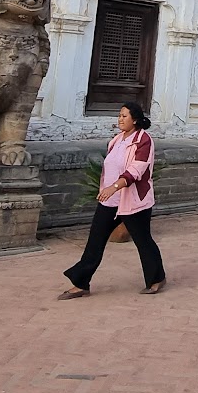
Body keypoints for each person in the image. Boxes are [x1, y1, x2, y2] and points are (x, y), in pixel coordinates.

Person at [59, 103, 166, 298]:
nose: (120, 119)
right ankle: (81, 283)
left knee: (143, 241)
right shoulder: (116, 140)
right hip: (109, 201)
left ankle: (156, 278)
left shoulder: (144, 140)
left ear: (135, 119)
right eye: (119, 115)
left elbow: (136, 170)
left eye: (124, 116)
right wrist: (106, 190)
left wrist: (114, 187)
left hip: (133, 202)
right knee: (95, 242)